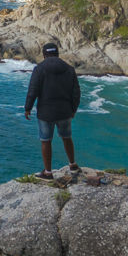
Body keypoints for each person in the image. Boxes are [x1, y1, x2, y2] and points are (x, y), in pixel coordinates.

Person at [24, 42, 81, 179]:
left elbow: (33, 90)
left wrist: (28, 108)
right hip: (65, 111)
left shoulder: (39, 69)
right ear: (57, 53)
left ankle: (48, 172)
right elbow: (76, 92)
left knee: (46, 141)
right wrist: (73, 109)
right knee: (67, 137)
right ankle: (73, 164)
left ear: (44, 55)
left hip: (46, 112)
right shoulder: (69, 69)